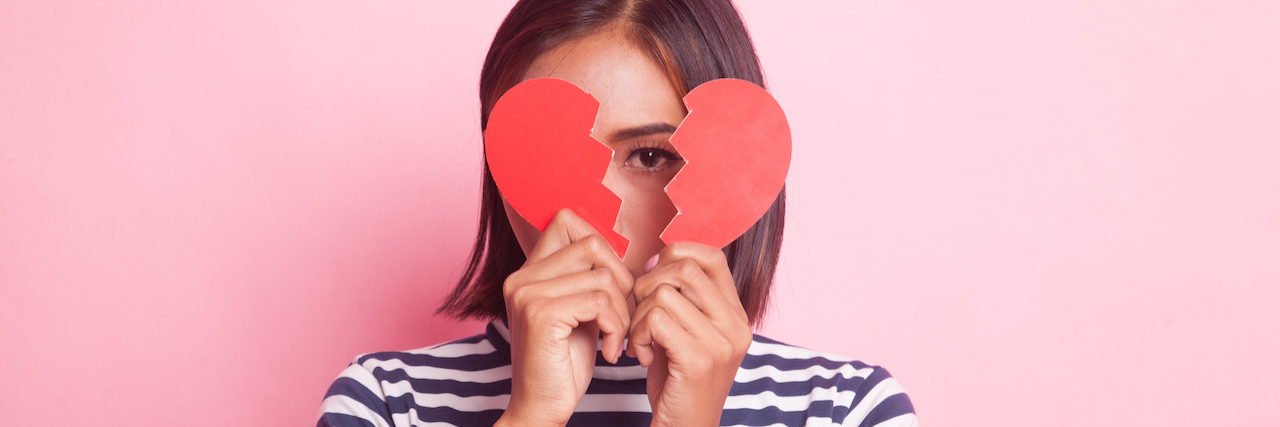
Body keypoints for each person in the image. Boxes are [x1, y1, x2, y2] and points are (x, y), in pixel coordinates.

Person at [317, 1, 917, 426]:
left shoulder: (847, 410)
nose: (590, 214)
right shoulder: (386, 403)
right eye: (553, 156)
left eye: (651, 156)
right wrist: (532, 416)